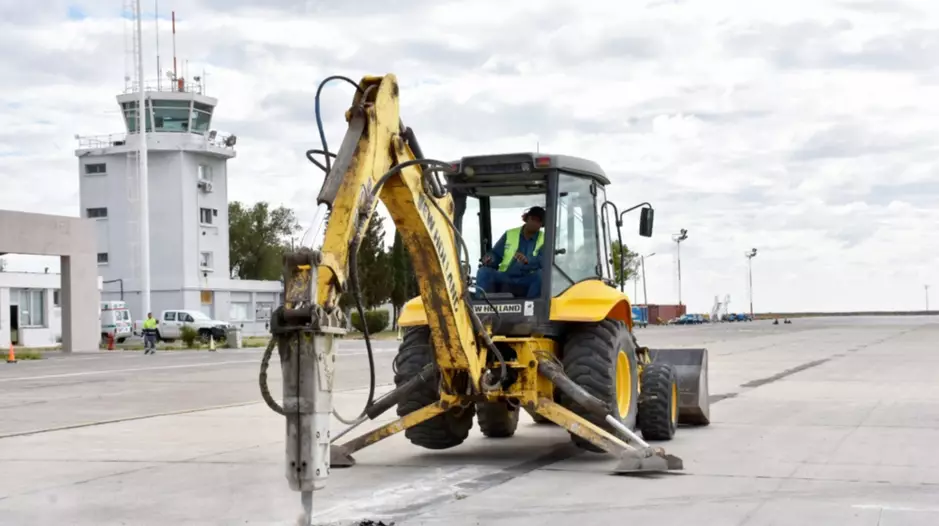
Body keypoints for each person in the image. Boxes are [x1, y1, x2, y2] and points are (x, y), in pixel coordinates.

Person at [475, 206, 545, 299]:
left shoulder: (544, 239)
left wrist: (528, 261)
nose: (535, 223)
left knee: (541, 275)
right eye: (533, 219)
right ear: (527, 218)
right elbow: (496, 254)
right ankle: (480, 304)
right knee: (483, 272)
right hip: (506, 276)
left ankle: (532, 306)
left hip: (527, 278)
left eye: (539, 221)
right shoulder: (510, 234)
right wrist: (490, 258)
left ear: (542, 224)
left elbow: (543, 261)